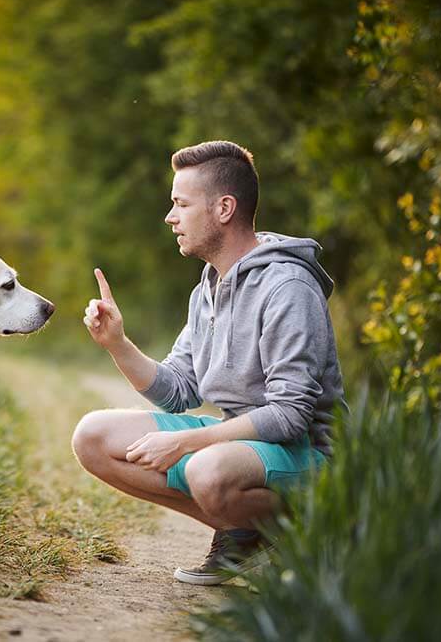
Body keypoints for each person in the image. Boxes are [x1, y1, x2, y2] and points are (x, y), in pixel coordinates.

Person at [72, 140, 346, 586]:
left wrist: (186, 446)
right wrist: (117, 344)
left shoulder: (288, 287)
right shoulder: (207, 291)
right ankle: (245, 533)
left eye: (181, 204)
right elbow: (178, 390)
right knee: (93, 437)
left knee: (205, 468)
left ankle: (313, 527)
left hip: (311, 456)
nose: (170, 216)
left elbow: (291, 415)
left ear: (223, 208)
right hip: (243, 448)